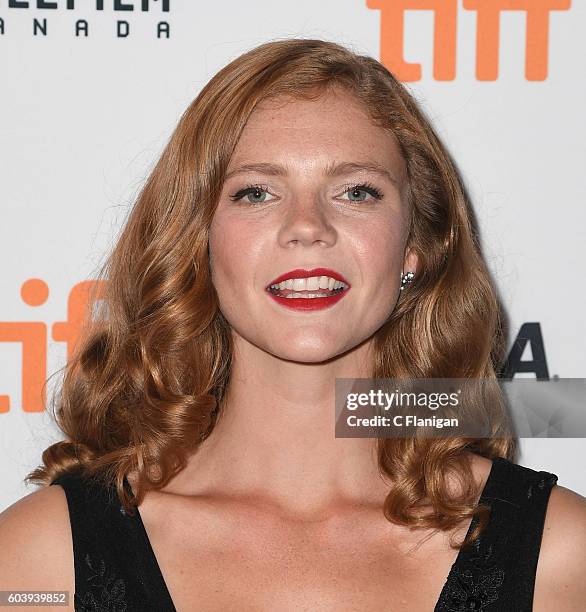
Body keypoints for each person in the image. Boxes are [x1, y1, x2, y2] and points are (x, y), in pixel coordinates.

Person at [0, 38, 584, 612]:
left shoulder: (558, 557)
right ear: (197, 240)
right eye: (256, 192)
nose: (308, 227)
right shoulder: (45, 561)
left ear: (416, 245)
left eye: (357, 191)